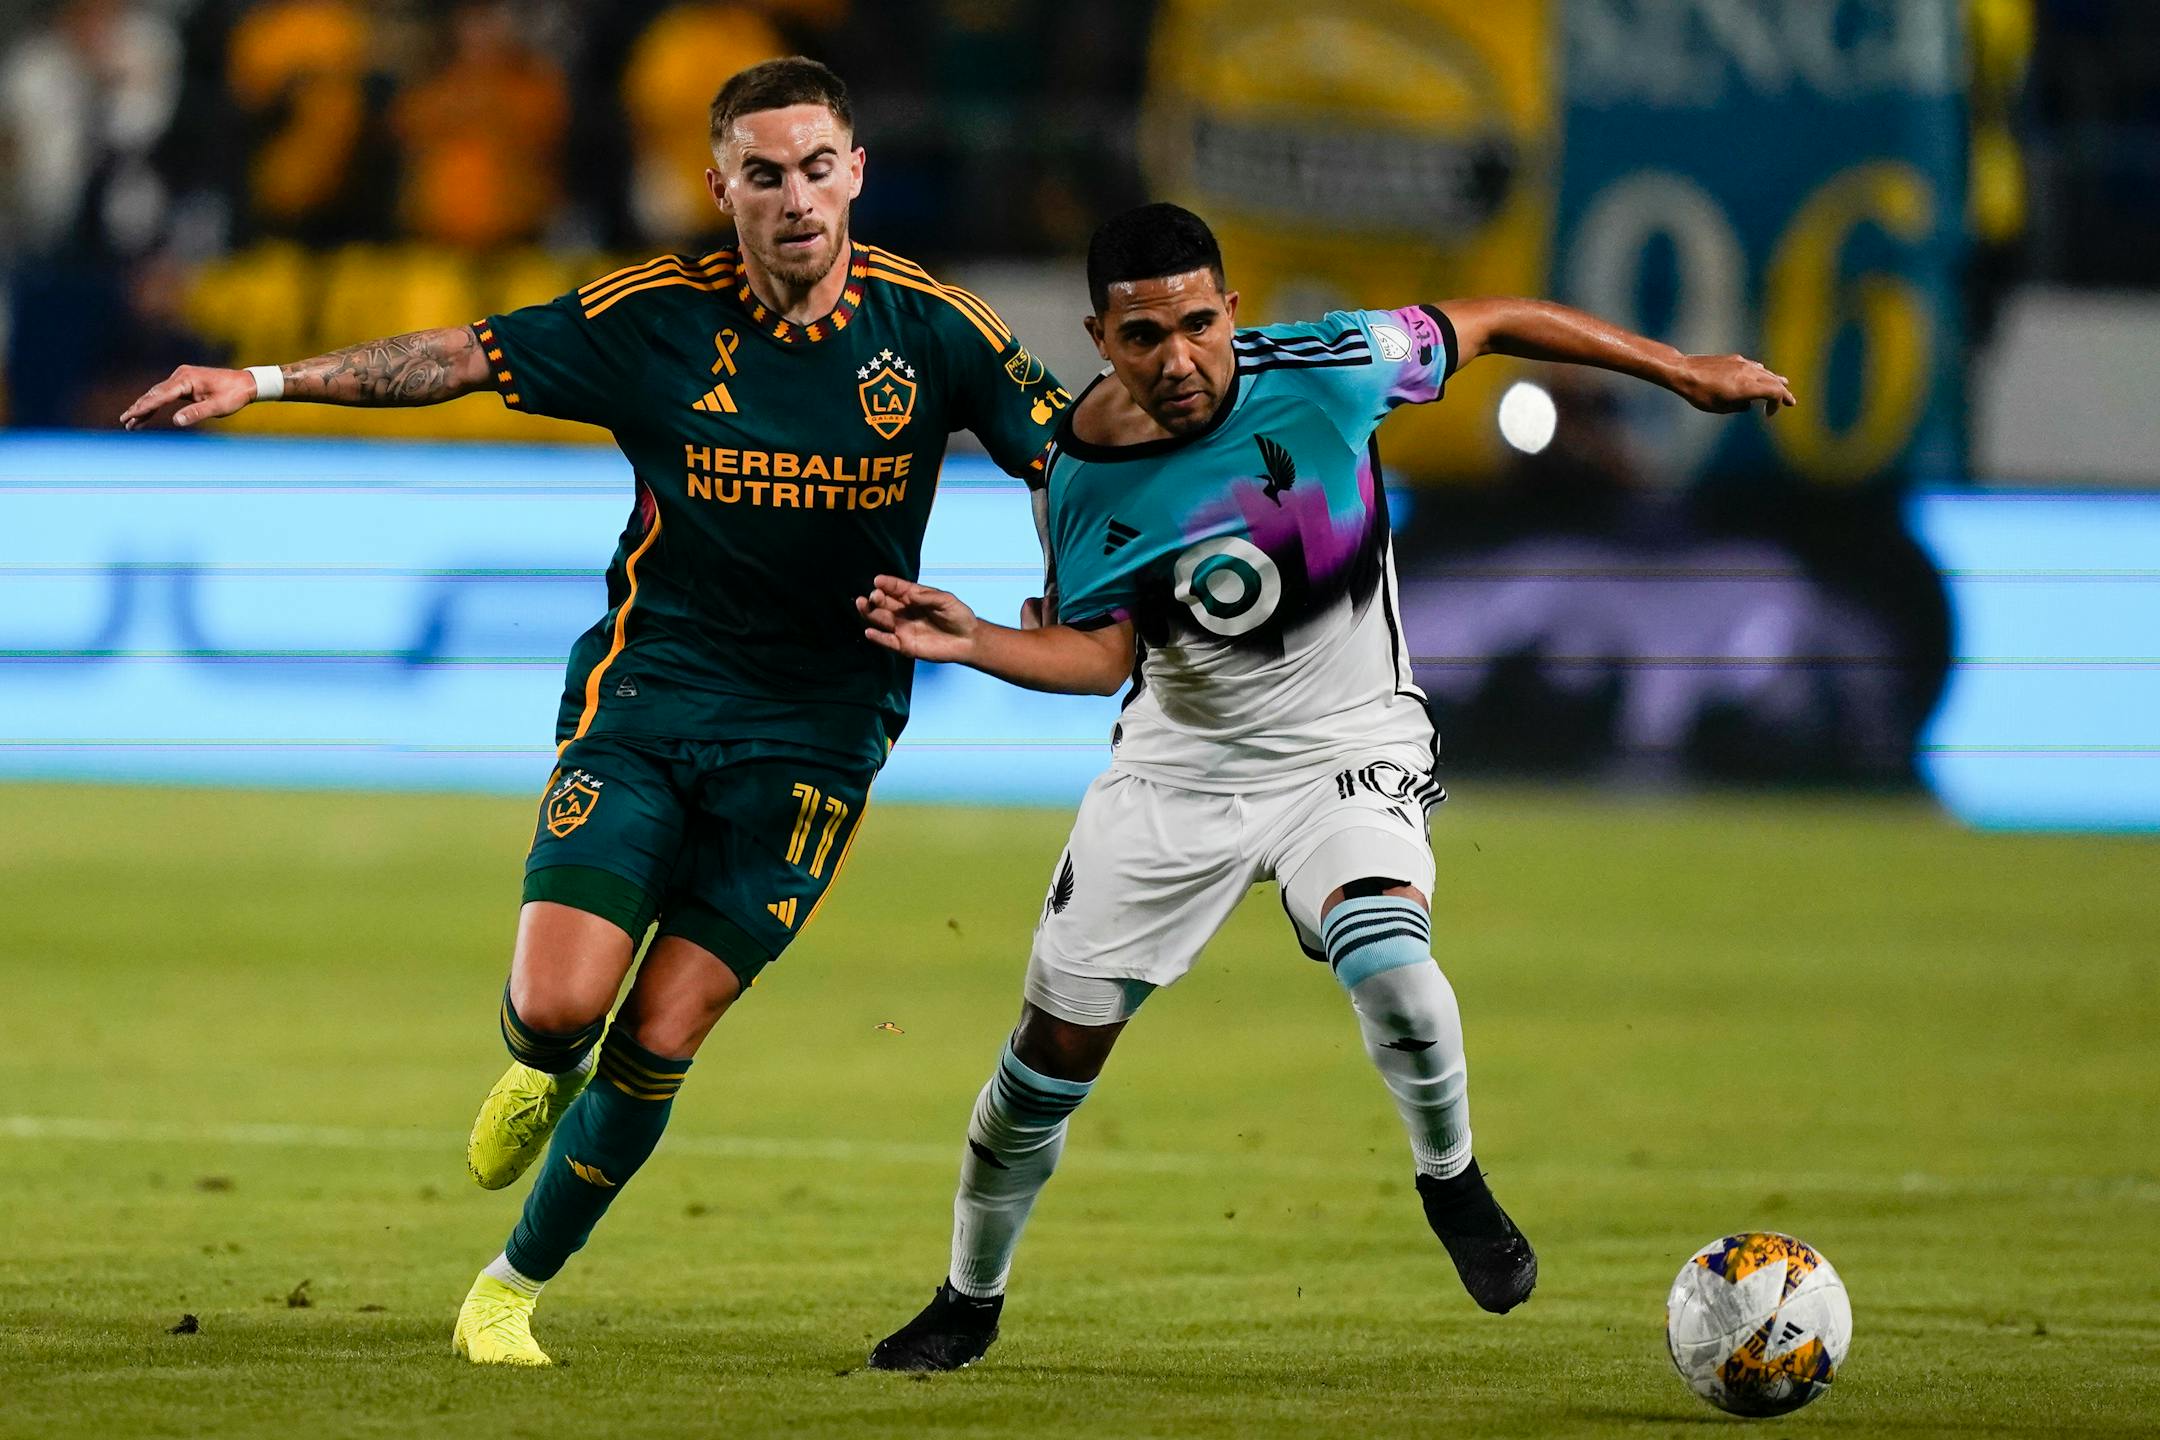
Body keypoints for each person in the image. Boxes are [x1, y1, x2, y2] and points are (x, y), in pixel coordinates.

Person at [119, 56, 1071, 1366]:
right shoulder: (656, 317)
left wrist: (1075, 588)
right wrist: (266, 383)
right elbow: (461, 355)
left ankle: (505, 1293)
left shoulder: (934, 329)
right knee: (566, 1009)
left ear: (853, 171)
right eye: (762, 174)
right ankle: (541, 1059)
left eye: (815, 168)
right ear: (719, 186)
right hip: (649, 699)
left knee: (667, 1031)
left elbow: (1072, 458)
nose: (793, 198)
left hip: (820, 733)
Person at [855, 202, 1794, 1371]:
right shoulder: (1079, 476)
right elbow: (1103, 655)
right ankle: (968, 1298)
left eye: (1199, 324)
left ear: (1233, 313)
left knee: (1392, 965)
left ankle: (1451, 1181)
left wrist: (1681, 372)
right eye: (1144, 337)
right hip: (1178, 771)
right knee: (1048, 1058)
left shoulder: (1340, 363)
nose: (1179, 358)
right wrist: (979, 637)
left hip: (1349, 742)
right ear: (1101, 337)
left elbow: (1493, 321)